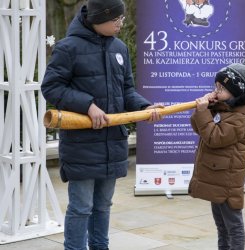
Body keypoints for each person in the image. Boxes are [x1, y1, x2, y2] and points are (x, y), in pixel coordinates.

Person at [41, 0, 163, 249]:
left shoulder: (120, 48)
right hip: (82, 145)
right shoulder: (67, 48)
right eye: (116, 19)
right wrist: (88, 105)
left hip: (112, 142)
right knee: (81, 207)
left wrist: (143, 107)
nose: (120, 24)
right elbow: (51, 87)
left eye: (122, 19)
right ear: (99, 18)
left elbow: (127, 89)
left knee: (103, 206)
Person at [188, 57, 245, 250]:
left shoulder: (241, 118)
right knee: (221, 226)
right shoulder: (226, 108)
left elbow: (214, 137)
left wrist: (205, 112)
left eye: (221, 88)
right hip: (217, 176)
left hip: (227, 179)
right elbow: (199, 128)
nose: (216, 91)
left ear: (235, 91)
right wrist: (205, 109)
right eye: (216, 86)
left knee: (233, 226)